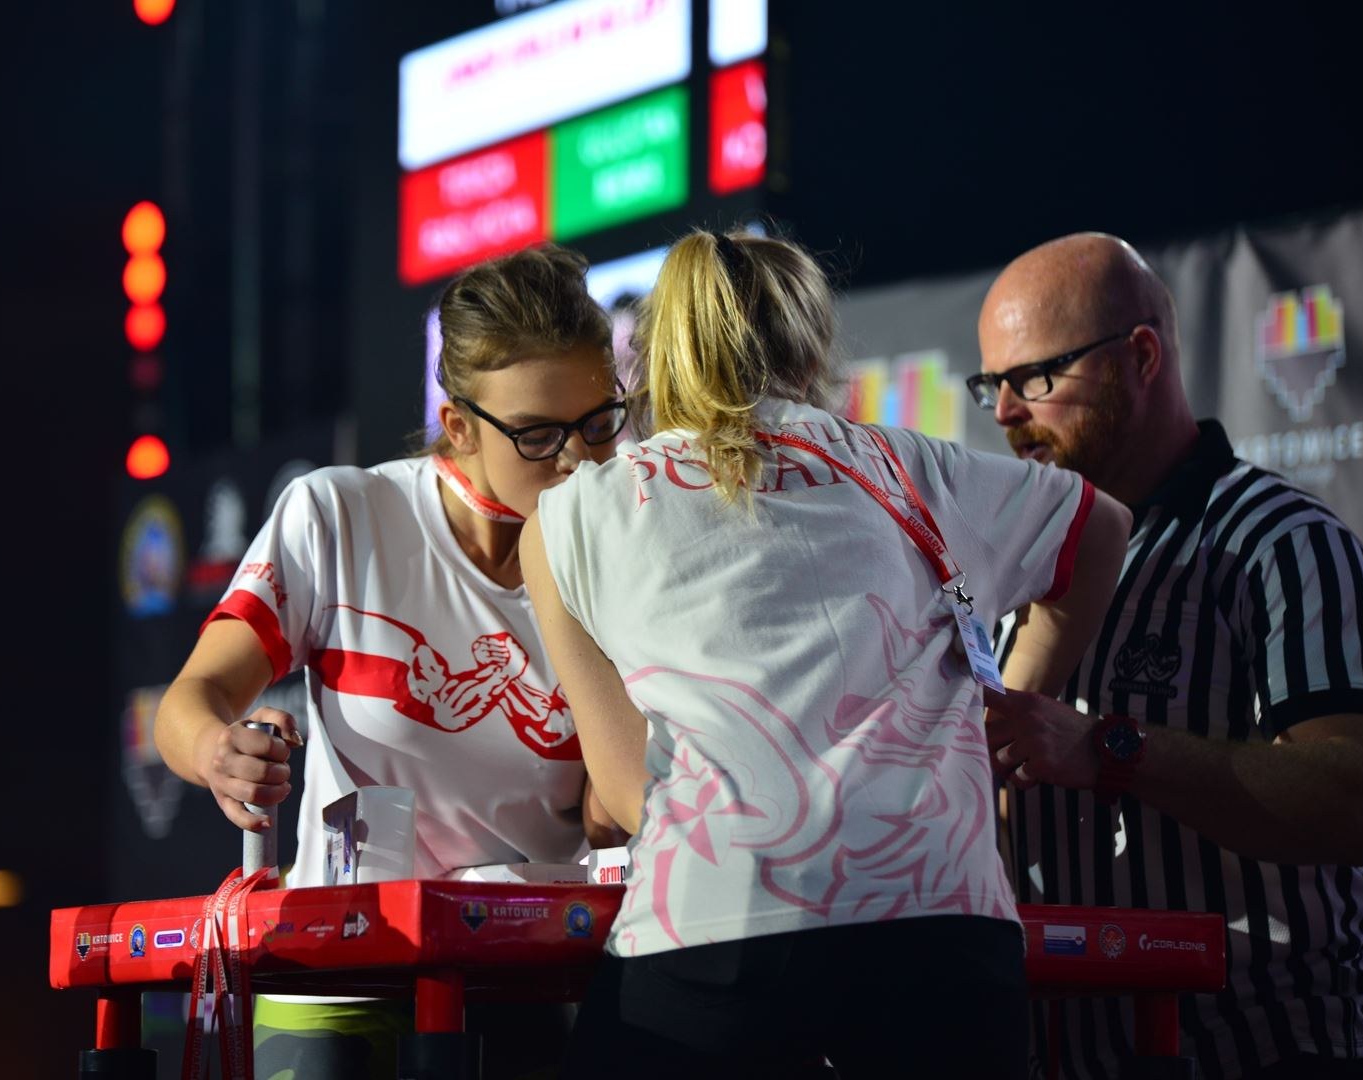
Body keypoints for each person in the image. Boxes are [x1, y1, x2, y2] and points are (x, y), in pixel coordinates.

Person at [520, 229, 1133, 1078]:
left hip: (716, 921)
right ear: (811, 351)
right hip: (939, 919)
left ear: (654, 360)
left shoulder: (572, 518)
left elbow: (629, 792)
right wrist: (1008, 710)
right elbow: (1101, 527)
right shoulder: (908, 466)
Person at [154, 244, 627, 1079]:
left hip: (530, 974)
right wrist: (215, 752)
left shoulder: (619, 550)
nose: (577, 463)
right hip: (343, 974)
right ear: (458, 426)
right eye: (538, 435)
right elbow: (191, 698)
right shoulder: (341, 515)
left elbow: (604, 813)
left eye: (598, 425)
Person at [974, 233, 1363, 1079]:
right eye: (992, 384)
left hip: (1272, 1056)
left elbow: (1349, 805)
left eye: (1036, 377)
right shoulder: (1018, 569)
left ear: (1139, 357)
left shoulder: (1282, 543)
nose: (1004, 412)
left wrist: (1108, 748)